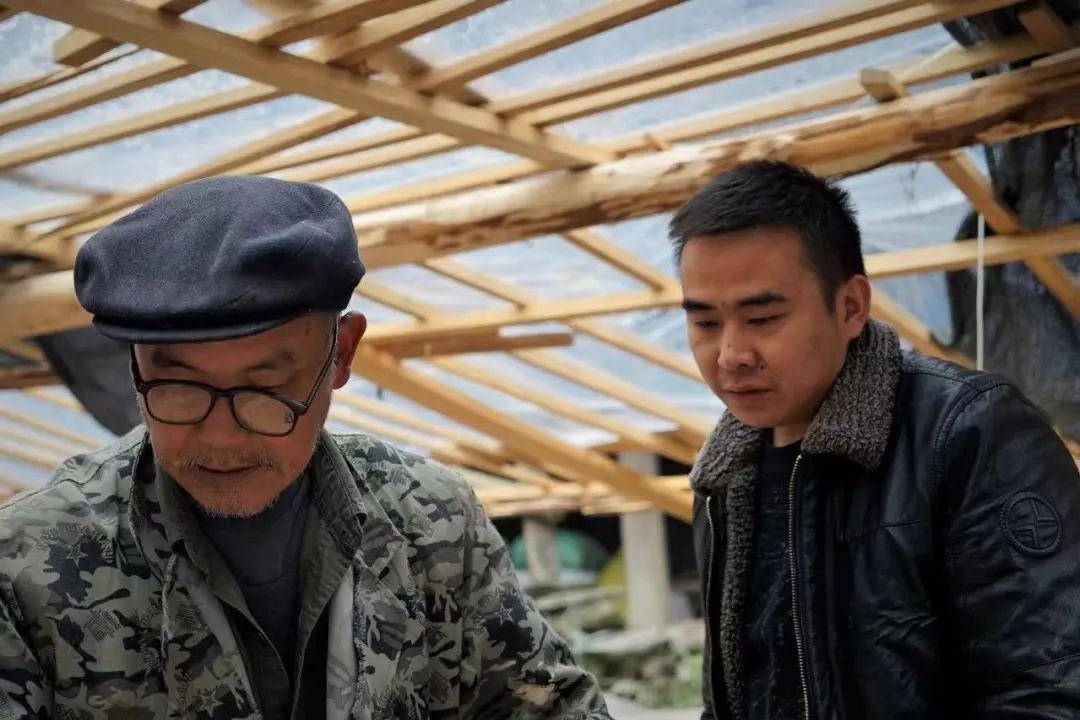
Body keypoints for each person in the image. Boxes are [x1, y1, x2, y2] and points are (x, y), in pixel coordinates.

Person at [0, 176, 610, 719]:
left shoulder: (433, 522)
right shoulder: (27, 566)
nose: (221, 436)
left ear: (341, 354)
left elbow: (550, 704)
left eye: (265, 387)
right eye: (178, 385)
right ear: (134, 365)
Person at [671, 160, 1080, 719]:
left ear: (850, 307)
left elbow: (1051, 692)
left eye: (762, 319)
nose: (730, 355)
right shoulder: (724, 481)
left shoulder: (967, 433)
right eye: (705, 323)